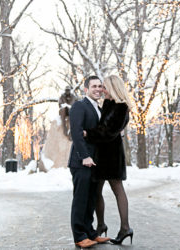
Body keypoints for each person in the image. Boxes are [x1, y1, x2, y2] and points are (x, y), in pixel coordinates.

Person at [83, 74, 134, 245]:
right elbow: (101, 127)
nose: (102, 90)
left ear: (113, 88)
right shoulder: (107, 104)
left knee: (117, 189)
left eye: (104, 87)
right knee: (97, 191)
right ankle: (101, 225)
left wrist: (88, 133)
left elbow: (107, 131)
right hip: (101, 154)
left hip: (112, 155)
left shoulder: (121, 107)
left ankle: (125, 227)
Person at [67, 75, 111, 248]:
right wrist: (84, 156)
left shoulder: (98, 109)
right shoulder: (79, 106)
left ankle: (91, 233)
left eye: (100, 86)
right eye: (94, 86)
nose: (98, 89)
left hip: (96, 162)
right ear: (86, 89)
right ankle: (79, 236)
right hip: (81, 161)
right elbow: (76, 133)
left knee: (91, 198)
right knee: (81, 198)